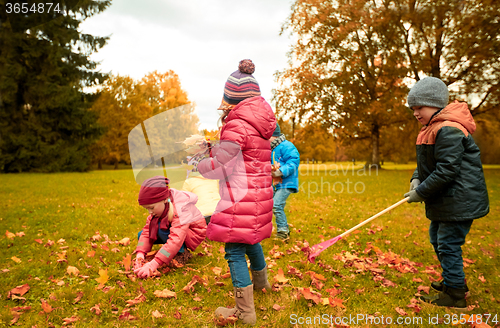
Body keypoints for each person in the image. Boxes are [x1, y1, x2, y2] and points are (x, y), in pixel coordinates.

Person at [197, 59, 276, 325]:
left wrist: (200, 164)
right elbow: (238, 154)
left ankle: (245, 313)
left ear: (231, 99)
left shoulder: (236, 124)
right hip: (258, 196)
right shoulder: (259, 123)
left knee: (234, 251)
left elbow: (221, 166)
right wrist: (212, 149)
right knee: (251, 240)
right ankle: (262, 285)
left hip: (239, 197)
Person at [404, 77, 489, 309]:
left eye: (419, 107)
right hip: (446, 200)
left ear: (435, 104)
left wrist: (421, 192)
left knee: (448, 244)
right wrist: (416, 178)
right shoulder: (431, 128)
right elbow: (428, 163)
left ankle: (455, 295)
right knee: (437, 239)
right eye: (413, 108)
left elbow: (447, 170)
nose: (415, 113)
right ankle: (453, 281)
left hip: (459, 200)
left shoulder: (449, 129)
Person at [133, 176, 207, 278]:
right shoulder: (159, 210)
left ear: (163, 200)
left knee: (163, 231)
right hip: (177, 231)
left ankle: (181, 254)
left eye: (151, 208)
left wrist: (154, 263)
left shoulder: (181, 209)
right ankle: (170, 252)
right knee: (142, 234)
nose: (150, 212)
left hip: (191, 234)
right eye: (147, 209)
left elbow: (176, 238)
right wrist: (140, 255)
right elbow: (146, 232)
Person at [181, 136, 221, 224]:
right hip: (219, 213)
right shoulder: (215, 179)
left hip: (202, 216)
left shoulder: (189, 182)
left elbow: (182, 201)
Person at [270, 123, 300, 240]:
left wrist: (281, 171)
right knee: (268, 205)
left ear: (274, 136)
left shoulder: (286, 146)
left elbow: (294, 161)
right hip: (275, 184)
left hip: (287, 183)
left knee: (277, 205)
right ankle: (267, 228)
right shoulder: (269, 149)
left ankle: (283, 231)